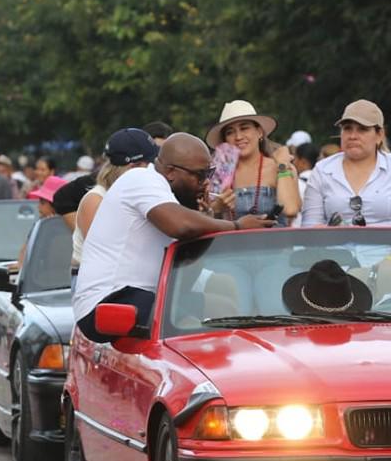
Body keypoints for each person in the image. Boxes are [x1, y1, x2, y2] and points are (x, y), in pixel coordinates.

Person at [73, 133, 273, 342]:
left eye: (209, 172)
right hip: (107, 302)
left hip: (141, 296)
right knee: (187, 328)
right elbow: (181, 226)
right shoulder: (141, 178)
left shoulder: (170, 201)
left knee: (223, 304)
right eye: (200, 174)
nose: (205, 182)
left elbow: (184, 282)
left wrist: (205, 219)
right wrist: (237, 226)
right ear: (170, 172)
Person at [300, 100, 391, 228]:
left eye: (362, 129)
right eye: (347, 128)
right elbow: (309, 228)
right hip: (335, 250)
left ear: (379, 135)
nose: (353, 136)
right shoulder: (322, 170)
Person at [206, 100, 300, 223]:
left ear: (260, 132)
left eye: (244, 128)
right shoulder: (217, 175)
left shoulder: (280, 167)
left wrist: (282, 166)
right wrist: (217, 208)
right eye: (230, 132)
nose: (238, 137)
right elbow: (205, 220)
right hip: (231, 242)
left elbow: (290, 210)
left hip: (276, 241)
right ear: (225, 140)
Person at [72, 129, 156, 267]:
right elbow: (105, 253)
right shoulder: (95, 200)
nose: (154, 168)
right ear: (133, 166)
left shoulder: (140, 193)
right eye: (151, 163)